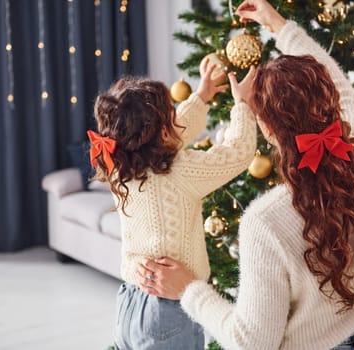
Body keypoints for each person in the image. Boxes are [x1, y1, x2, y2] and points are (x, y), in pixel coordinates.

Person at [136, 0, 354, 349]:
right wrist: (279, 25)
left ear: (265, 127)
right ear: (330, 106)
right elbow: (341, 88)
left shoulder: (267, 222)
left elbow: (251, 343)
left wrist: (188, 289)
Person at [88, 59, 257, 349]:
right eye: (169, 117)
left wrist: (201, 97)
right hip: (169, 309)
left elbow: (171, 133)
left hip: (130, 302)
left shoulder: (120, 164)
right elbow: (237, 153)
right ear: (162, 133)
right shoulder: (180, 170)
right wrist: (242, 105)